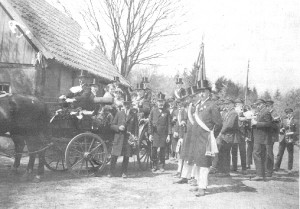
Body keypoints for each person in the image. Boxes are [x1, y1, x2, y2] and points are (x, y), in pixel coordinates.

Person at [189, 80, 222, 197]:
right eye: (199, 92)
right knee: (198, 162)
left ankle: (202, 187)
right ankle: (199, 184)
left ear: (209, 92)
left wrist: (212, 135)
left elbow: (218, 123)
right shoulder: (198, 105)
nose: (201, 94)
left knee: (204, 164)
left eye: (204, 91)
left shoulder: (212, 105)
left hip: (205, 138)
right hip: (197, 139)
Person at [109, 94, 138, 178]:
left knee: (126, 155)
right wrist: (118, 127)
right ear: (123, 104)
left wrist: (135, 137)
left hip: (128, 138)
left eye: (128, 103)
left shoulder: (133, 115)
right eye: (125, 103)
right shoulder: (119, 113)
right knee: (114, 155)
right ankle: (111, 172)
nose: (126, 105)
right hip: (119, 137)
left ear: (130, 104)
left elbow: (136, 128)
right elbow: (112, 125)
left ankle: (124, 172)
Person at [148, 92, 172, 172]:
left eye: (162, 101)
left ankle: (162, 165)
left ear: (164, 102)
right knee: (154, 150)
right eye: (159, 101)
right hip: (155, 133)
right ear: (156, 102)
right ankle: (154, 165)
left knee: (162, 150)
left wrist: (169, 135)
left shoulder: (167, 112)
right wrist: (150, 134)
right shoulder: (153, 111)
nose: (160, 103)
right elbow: (150, 123)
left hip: (163, 134)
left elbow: (169, 124)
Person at [251, 99, 273, 181]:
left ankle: (259, 175)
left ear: (263, 104)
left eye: (259, 104)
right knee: (260, 154)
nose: (258, 106)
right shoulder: (261, 111)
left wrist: (256, 123)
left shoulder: (266, 112)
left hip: (261, 137)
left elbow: (269, 124)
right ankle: (261, 174)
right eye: (257, 104)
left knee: (256, 154)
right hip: (259, 136)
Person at [215, 98, 238, 177]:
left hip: (228, 135)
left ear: (232, 104)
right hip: (224, 135)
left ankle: (226, 171)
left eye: (228, 104)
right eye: (226, 104)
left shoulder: (233, 113)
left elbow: (229, 125)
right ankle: (221, 170)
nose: (226, 106)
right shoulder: (228, 112)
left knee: (226, 153)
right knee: (222, 152)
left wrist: (221, 132)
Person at [274, 108, 297, 173]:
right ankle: (276, 168)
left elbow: (297, 131)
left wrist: (292, 133)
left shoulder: (295, 121)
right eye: (287, 113)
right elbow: (280, 128)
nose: (288, 115)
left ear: (292, 113)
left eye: (290, 113)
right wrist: (281, 129)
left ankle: (289, 169)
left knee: (290, 154)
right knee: (280, 153)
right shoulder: (283, 120)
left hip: (290, 138)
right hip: (283, 138)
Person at [231, 98, 247, 173]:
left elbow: (247, 121)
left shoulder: (244, 111)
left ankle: (244, 168)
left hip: (242, 134)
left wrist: (244, 118)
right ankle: (234, 167)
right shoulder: (233, 112)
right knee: (234, 151)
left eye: (240, 103)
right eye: (237, 104)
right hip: (234, 134)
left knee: (242, 151)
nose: (238, 105)